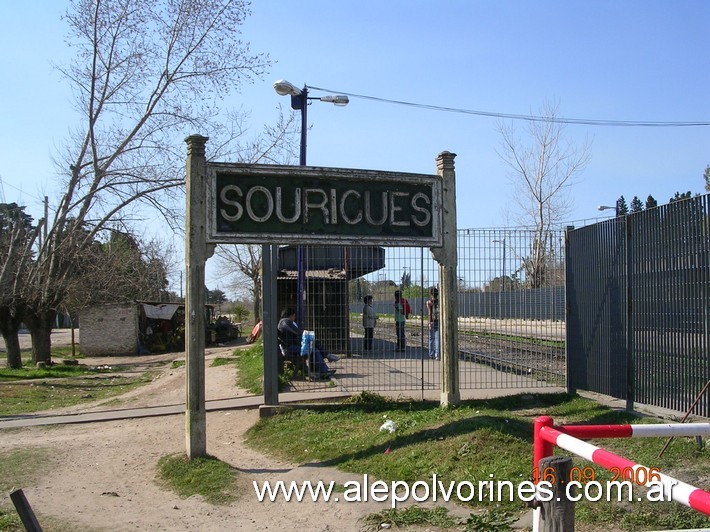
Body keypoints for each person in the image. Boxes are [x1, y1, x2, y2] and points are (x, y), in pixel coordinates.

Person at [277, 308, 335, 379]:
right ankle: (323, 369)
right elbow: (297, 332)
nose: (294, 318)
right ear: (291, 315)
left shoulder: (283, 322)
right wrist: (304, 334)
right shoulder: (285, 322)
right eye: (294, 316)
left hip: (290, 347)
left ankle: (322, 365)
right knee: (313, 349)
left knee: (313, 346)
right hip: (289, 348)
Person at [426, 287, 440, 360]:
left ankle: (431, 354)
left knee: (431, 338)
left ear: (431, 294)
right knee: (438, 339)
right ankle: (437, 355)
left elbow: (429, 313)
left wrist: (429, 322)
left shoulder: (429, 302)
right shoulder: (440, 302)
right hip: (439, 320)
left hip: (432, 320)